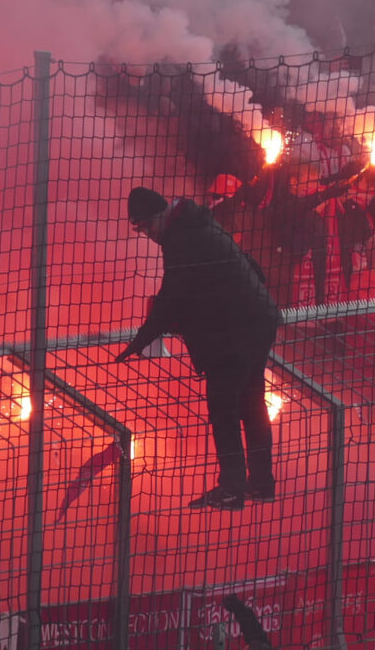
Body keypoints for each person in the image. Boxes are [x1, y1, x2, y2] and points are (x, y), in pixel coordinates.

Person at [114, 187, 282, 511]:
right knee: (251, 402)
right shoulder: (197, 223)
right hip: (257, 320)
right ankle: (261, 484)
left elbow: (173, 295)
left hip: (237, 330)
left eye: (147, 227)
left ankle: (232, 489)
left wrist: (141, 338)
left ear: (161, 215)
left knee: (224, 409)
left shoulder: (183, 237)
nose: (148, 235)